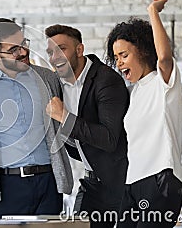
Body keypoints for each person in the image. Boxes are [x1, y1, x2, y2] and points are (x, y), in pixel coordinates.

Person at [0, 18, 73, 218]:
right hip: (7, 187)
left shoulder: (47, 78)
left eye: (24, 44)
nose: (23, 52)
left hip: (49, 181)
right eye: (14, 49)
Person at [105, 0, 182, 227]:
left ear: (144, 52)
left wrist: (153, 12)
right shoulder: (134, 92)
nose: (119, 63)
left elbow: (165, 57)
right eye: (116, 57)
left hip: (160, 179)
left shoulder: (163, 82)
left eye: (125, 55)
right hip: (133, 183)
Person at [44, 24, 129, 228]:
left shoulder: (107, 80)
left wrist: (64, 116)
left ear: (79, 50)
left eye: (62, 49)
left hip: (120, 184)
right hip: (91, 180)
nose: (55, 57)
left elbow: (109, 139)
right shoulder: (58, 82)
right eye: (50, 52)